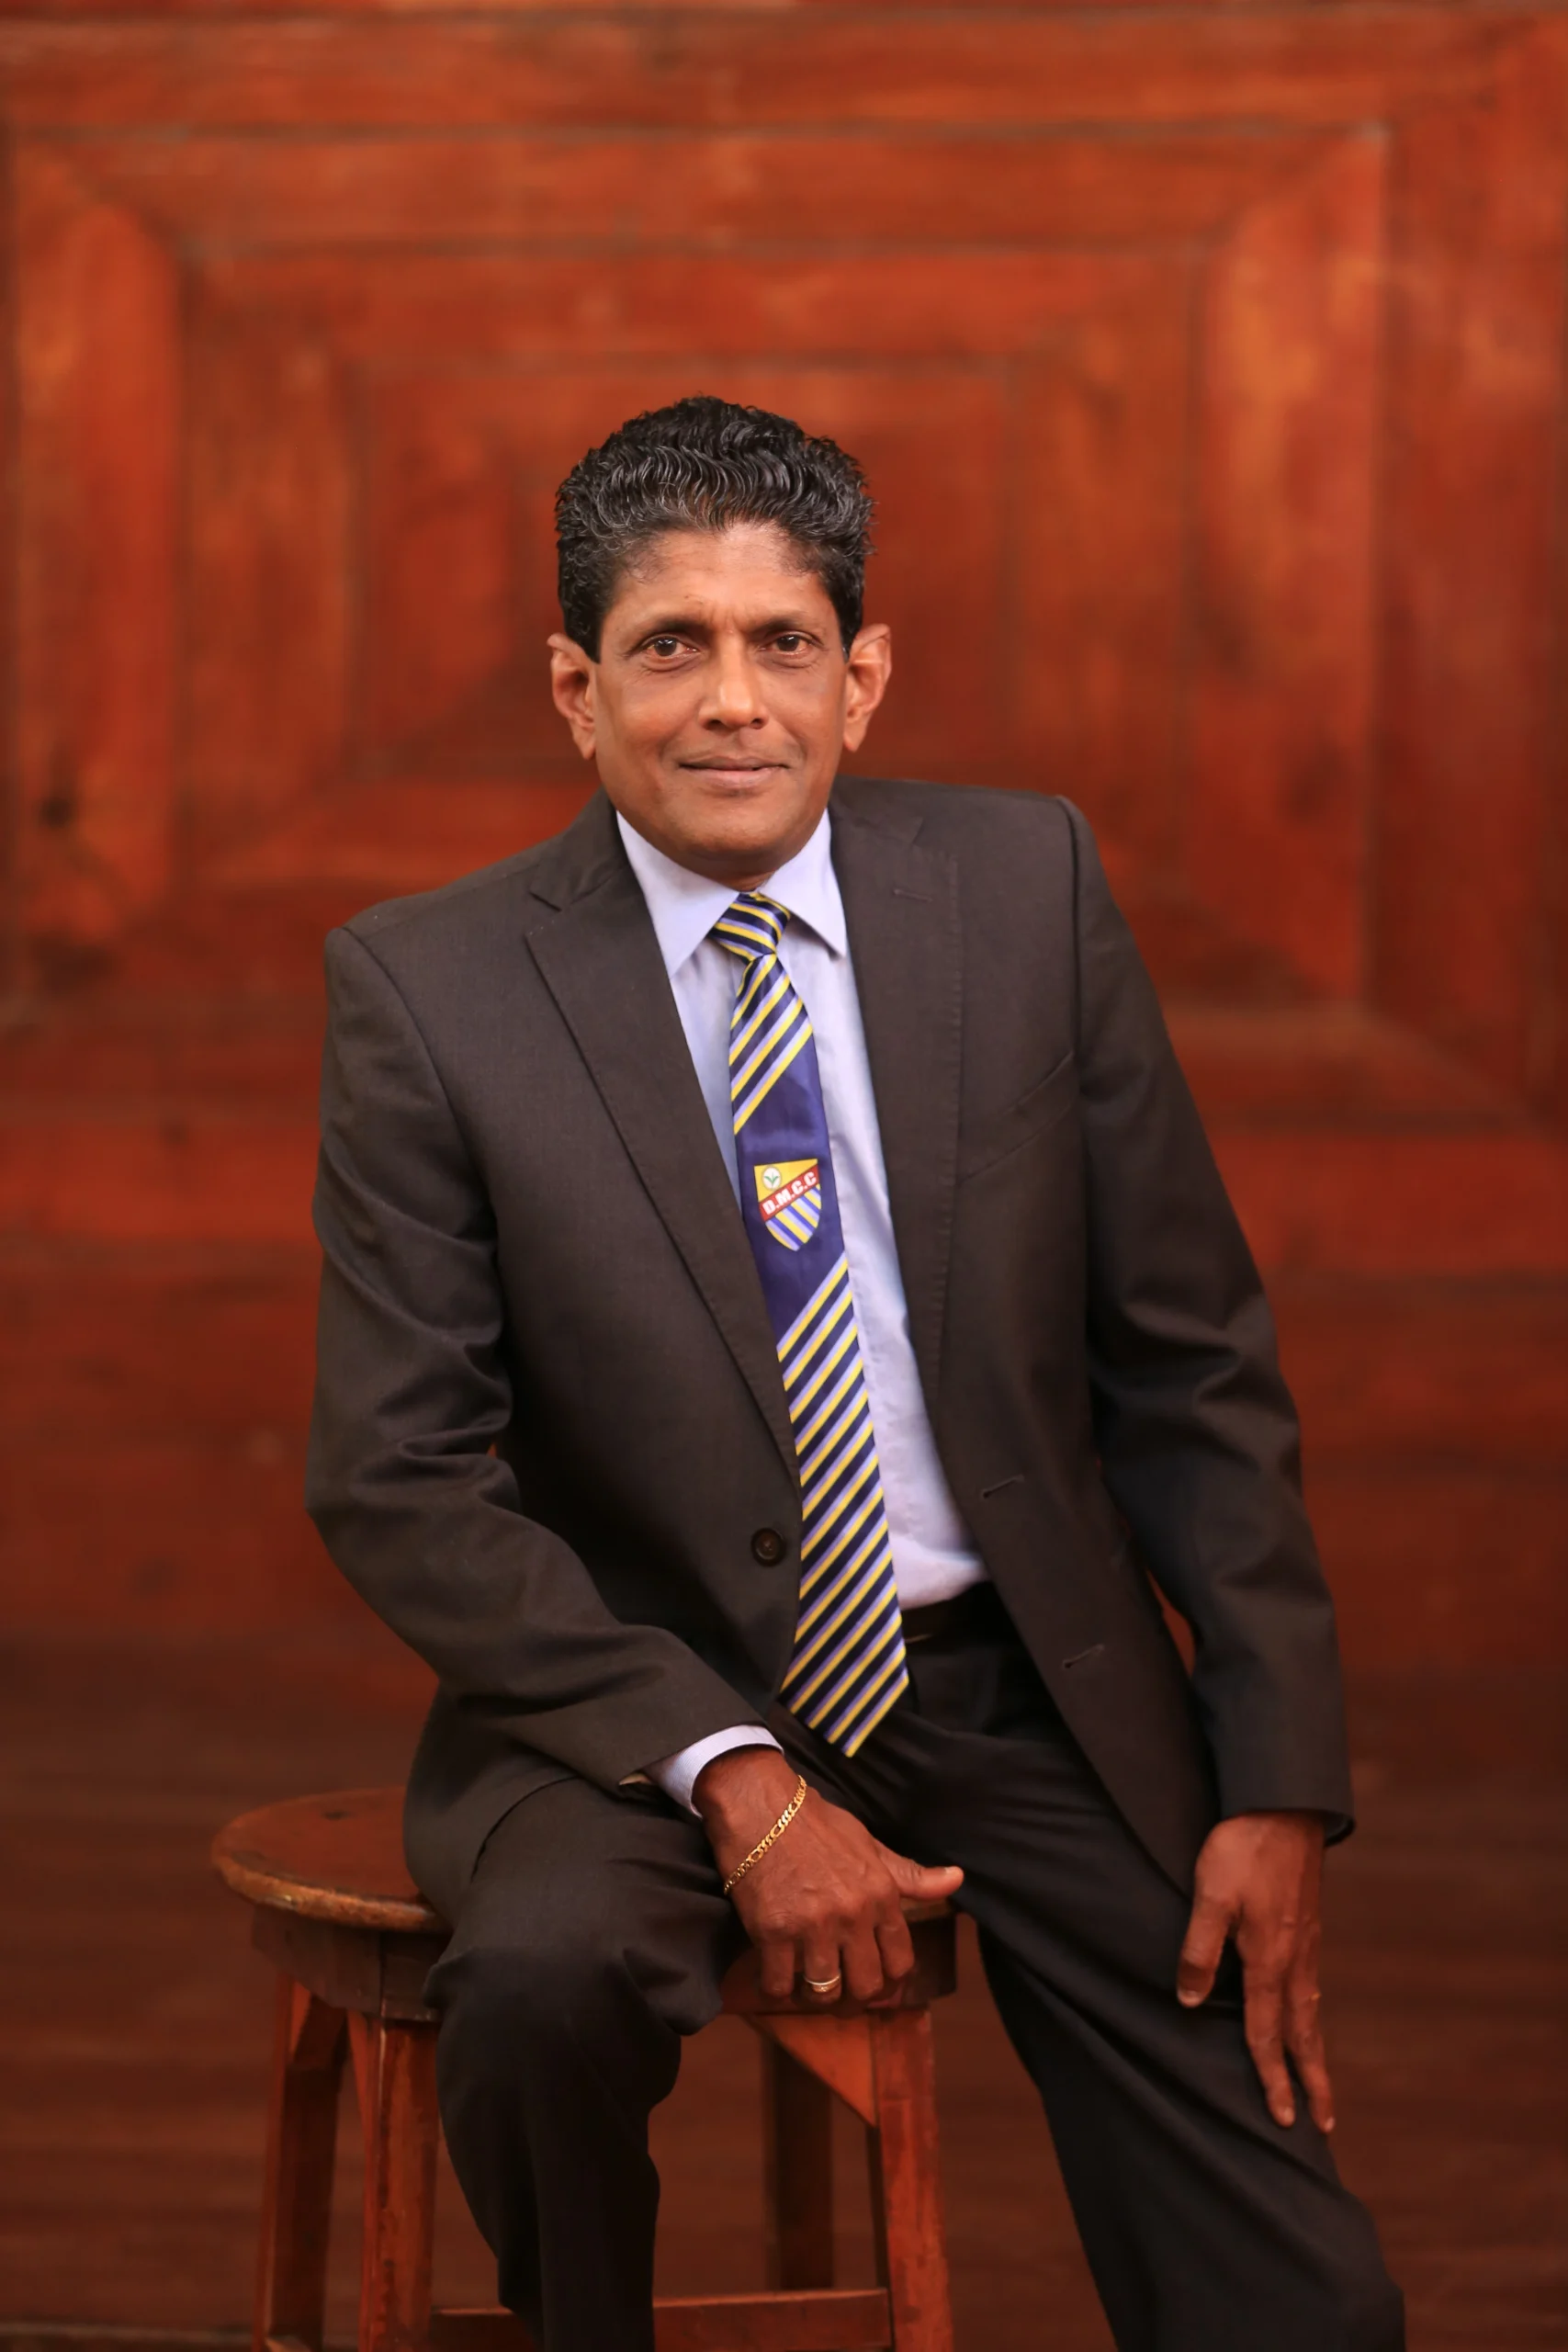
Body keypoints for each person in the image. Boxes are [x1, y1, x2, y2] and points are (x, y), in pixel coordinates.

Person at [306, 394, 1404, 2351]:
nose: (734, 701)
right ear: (575, 689)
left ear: (861, 676)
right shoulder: (432, 989)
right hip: (642, 1698)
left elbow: (1189, 1362)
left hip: (1013, 1676)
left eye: (783, 642)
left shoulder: (1023, 890)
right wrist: (735, 1775)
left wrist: (1274, 1774)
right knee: (544, 1981)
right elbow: (400, 1474)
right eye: (670, 645)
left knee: (1306, 2306)